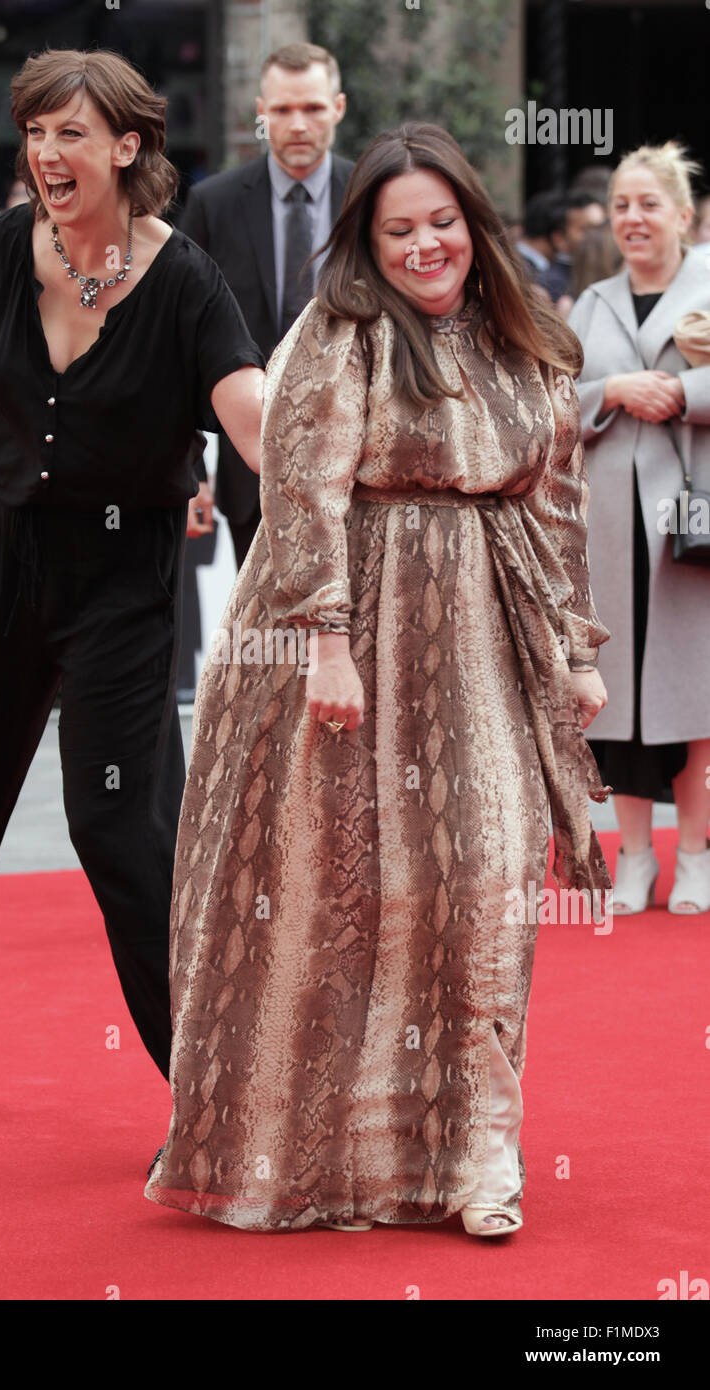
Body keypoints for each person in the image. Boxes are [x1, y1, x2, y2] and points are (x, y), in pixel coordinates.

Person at [145, 122, 611, 1237]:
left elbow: (553, 503)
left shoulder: (523, 335)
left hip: (484, 637)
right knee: (346, 896)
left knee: (489, 878)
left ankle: (478, 1155)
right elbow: (302, 487)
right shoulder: (338, 330)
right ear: (367, 236)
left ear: (470, 222)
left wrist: (574, 656)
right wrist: (324, 643)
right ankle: (341, 1155)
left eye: (439, 223)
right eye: (397, 229)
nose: (421, 247)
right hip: (343, 635)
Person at [0, 47, 265, 1122]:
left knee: (117, 826)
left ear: (125, 147)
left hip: (122, 584)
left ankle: (201, 1085)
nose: (43, 153)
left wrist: (346, 483)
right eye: (33, 133)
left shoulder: (183, 282)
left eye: (67, 132)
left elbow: (255, 418)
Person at [567, 141, 710, 915]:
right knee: (616, 696)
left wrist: (681, 392)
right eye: (621, 205)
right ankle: (630, 857)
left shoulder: (708, 283)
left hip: (691, 521)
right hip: (609, 531)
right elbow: (553, 397)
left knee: (692, 696)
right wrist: (612, 389)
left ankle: (691, 854)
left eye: (648, 204)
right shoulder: (591, 301)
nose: (632, 219)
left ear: (682, 215)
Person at [179, 42, 354, 569]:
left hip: (360, 455)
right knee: (263, 640)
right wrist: (192, 470)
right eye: (282, 110)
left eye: (313, 108)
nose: (298, 124)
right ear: (261, 113)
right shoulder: (215, 204)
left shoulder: (375, 194)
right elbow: (181, 337)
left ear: (338, 108)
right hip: (247, 463)